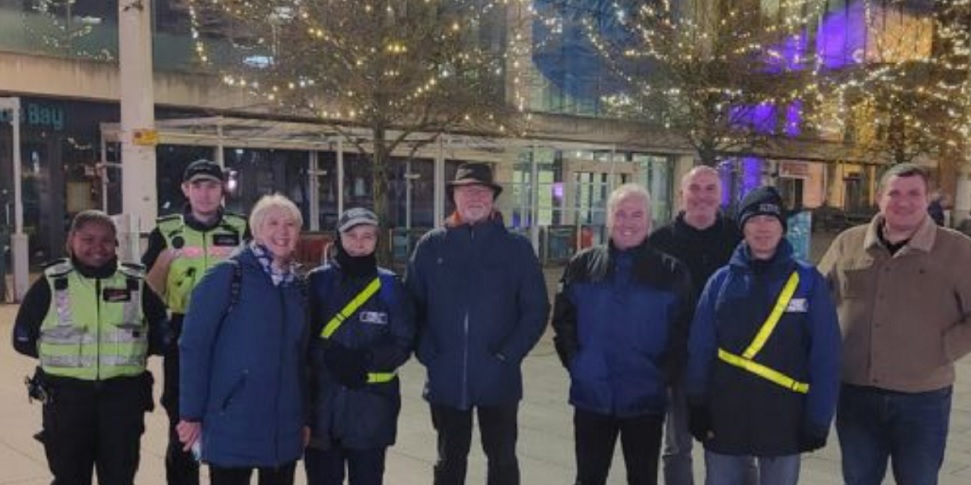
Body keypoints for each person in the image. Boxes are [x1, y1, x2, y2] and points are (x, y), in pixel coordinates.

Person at [818, 163, 971, 485]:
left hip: (922, 399)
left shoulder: (957, 249)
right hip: (856, 394)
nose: (903, 202)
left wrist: (943, 349)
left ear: (927, 198)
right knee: (858, 479)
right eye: (894, 193)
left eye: (914, 193)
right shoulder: (849, 242)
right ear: (879, 197)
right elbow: (815, 299)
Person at [404, 162, 550, 485]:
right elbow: (411, 307)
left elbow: (536, 309)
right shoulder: (431, 246)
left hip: (499, 380)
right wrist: (429, 352)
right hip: (446, 379)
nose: (474, 196)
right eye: (466, 190)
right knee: (449, 460)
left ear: (492, 198)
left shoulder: (517, 248)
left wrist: (508, 355)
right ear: (454, 196)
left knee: (502, 460)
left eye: (481, 190)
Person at [686, 187, 842, 485]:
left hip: (784, 416)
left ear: (783, 227)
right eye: (754, 220)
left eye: (771, 220)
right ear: (742, 226)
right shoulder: (721, 281)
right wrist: (696, 403)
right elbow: (700, 347)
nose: (762, 228)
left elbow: (825, 355)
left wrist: (818, 418)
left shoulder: (808, 282)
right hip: (725, 412)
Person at [12, 210, 168, 485]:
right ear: (71, 240)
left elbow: (162, 336)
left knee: (119, 476)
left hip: (123, 400)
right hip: (66, 401)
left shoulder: (135, 284)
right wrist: (69, 358)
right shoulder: (52, 282)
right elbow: (22, 339)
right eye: (88, 239)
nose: (98, 247)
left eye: (106, 240)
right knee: (69, 477)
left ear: (116, 243)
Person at [552, 183, 694, 485]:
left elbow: (683, 332)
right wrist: (579, 366)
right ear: (609, 218)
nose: (628, 222)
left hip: (645, 399)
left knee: (642, 478)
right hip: (592, 397)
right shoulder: (582, 265)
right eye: (621, 214)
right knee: (589, 477)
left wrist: (661, 376)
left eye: (637, 215)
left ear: (649, 222)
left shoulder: (671, 272)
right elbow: (563, 321)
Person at [176, 194, 307, 485]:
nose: (282, 232)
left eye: (290, 224)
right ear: (256, 229)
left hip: (283, 423)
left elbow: (301, 357)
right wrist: (191, 413)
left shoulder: (296, 286)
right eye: (272, 223)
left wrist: (303, 417)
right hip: (233, 419)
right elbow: (194, 346)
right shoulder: (228, 276)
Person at [142, 158, 248, 485]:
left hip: (231, 335)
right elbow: (150, 290)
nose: (204, 193)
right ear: (186, 190)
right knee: (183, 424)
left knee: (228, 420)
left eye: (212, 185)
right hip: (182, 334)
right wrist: (163, 261)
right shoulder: (166, 230)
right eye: (197, 186)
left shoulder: (242, 228)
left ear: (222, 190)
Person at [305, 207, 415, 485]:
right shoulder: (316, 282)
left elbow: (403, 340)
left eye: (367, 236)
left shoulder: (390, 286)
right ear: (338, 238)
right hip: (323, 411)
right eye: (351, 235)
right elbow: (300, 338)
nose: (359, 242)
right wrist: (328, 357)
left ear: (377, 240)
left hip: (371, 411)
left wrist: (366, 358)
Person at [648, 166, 742, 485]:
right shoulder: (659, 242)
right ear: (681, 194)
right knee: (677, 445)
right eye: (695, 188)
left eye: (710, 189)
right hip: (679, 359)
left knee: (734, 444)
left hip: (730, 359)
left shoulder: (739, 237)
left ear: (721, 194)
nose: (702, 196)